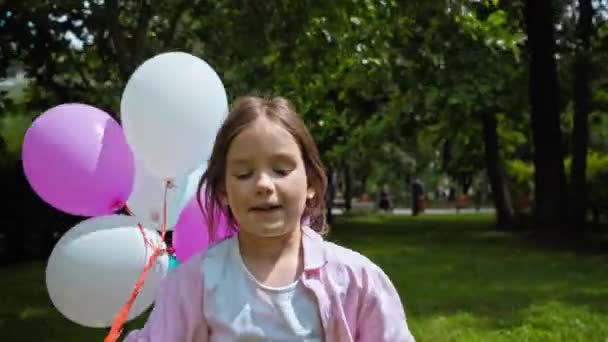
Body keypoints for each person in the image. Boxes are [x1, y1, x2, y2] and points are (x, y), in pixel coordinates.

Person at [124, 96, 415, 341]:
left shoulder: (357, 280)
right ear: (223, 190)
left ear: (311, 183)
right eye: (244, 174)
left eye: (281, 169)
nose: (263, 184)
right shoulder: (192, 283)